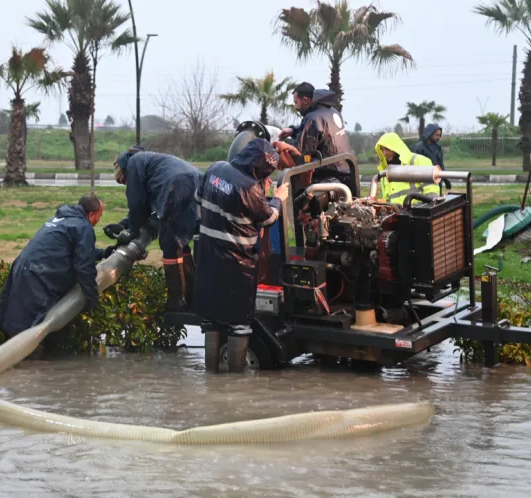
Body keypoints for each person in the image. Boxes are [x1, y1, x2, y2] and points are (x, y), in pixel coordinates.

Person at [192, 138, 290, 374]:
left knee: (212, 319)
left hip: (207, 256)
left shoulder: (215, 168)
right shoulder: (250, 187)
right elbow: (268, 218)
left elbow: (199, 199)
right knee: (239, 323)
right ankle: (236, 380)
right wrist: (277, 197)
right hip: (238, 264)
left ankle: (211, 374)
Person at [0, 193, 116, 339]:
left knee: (17, 323)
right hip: (38, 275)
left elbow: (75, 251)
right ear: (90, 214)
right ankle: (29, 361)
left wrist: (103, 253)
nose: (99, 220)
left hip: (23, 268)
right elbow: (84, 268)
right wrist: (92, 300)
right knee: (32, 332)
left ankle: (18, 360)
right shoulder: (83, 226)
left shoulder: (62, 219)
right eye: (99, 216)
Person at [106, 147, 203, 312]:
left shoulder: (134, 163)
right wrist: (124, 224)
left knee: (169, 245)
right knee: (181, 243)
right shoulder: (153, 165)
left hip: (177, 185)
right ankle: (192, 296)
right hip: (197, 182)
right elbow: (147, 206)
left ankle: (176, 301)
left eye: (124, 181)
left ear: (123, 170)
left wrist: (132, 233)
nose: (126, 184)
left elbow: (136, 202)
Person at [278, 82, 355, 192]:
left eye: (296, 102)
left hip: (328, 172)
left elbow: (301, 150)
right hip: (346, 168)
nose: (295, 107)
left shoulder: (313, 118)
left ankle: (296, 208)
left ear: (305, 100)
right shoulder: (331, 111)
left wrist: (283, 143)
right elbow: (317, 132)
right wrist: (293, 130)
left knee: (295, 177)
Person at [374, 133, 441, 205]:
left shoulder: (419, 161)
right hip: (398, 215)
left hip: (419, 214)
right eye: (382, 149)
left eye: (387, 148)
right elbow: (387, 199)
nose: (384, 153)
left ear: (396, 147)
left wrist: (424, 211)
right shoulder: (385, 172)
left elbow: (432, 193)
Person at [414, 124, 451, 191]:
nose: (438, 137)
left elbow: (441, 165)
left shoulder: (438, 148)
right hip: (424, 181)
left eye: (440, 135)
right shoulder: (419, 148)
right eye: (436, 135)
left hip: (437, 181)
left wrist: (446, 180)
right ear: (430, 134)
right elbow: (415, 166)